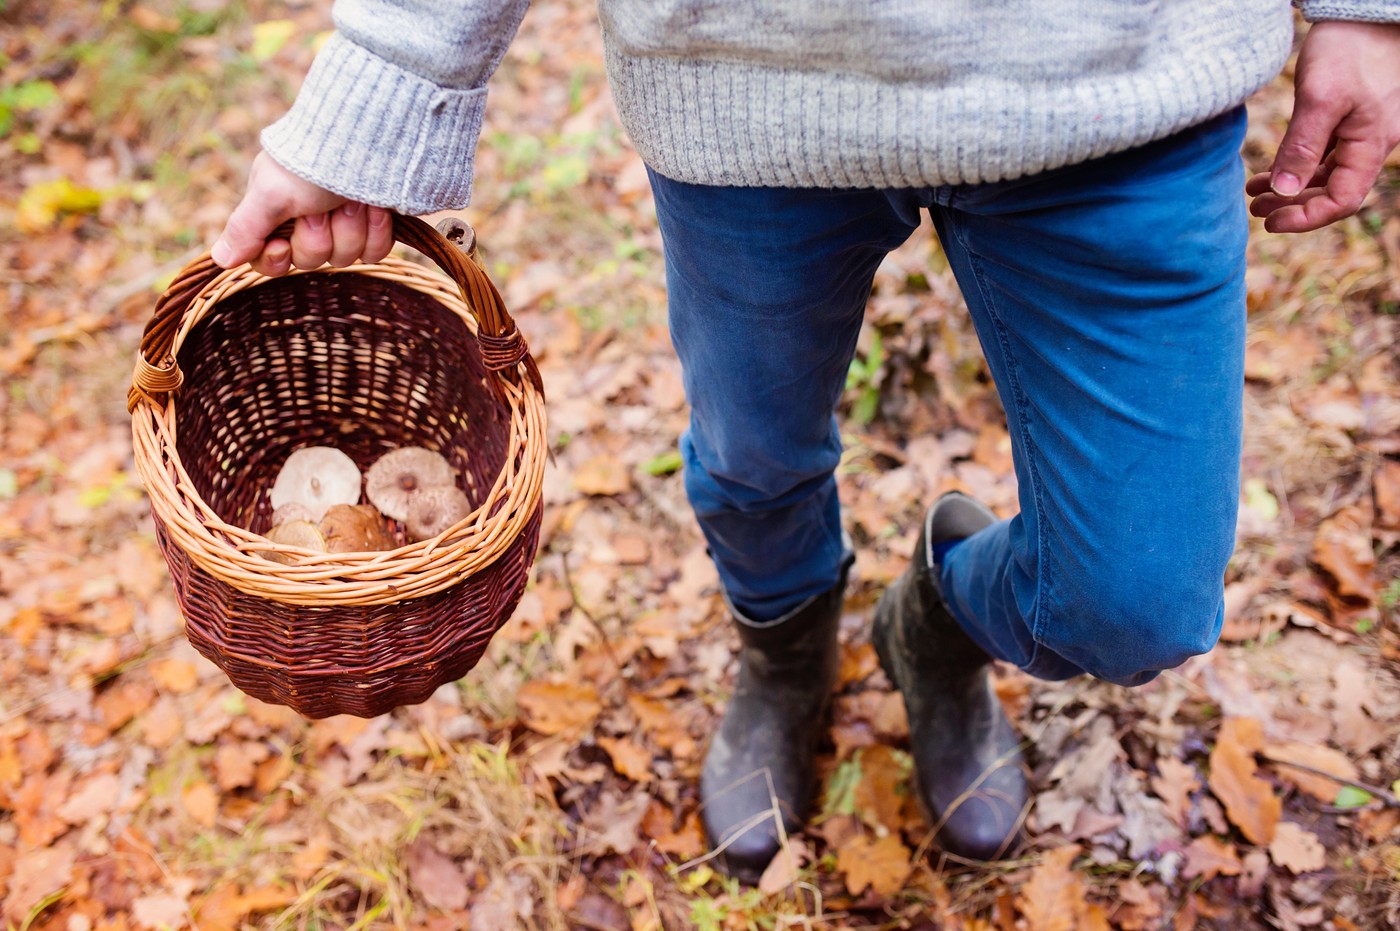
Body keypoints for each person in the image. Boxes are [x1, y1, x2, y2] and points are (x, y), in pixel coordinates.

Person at [212, 0, 1400, 882]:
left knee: (1137, 600)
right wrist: (380, 78)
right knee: (750, 455)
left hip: (1119, 79)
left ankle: (933, 620)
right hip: (747, 88)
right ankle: (784, 660)